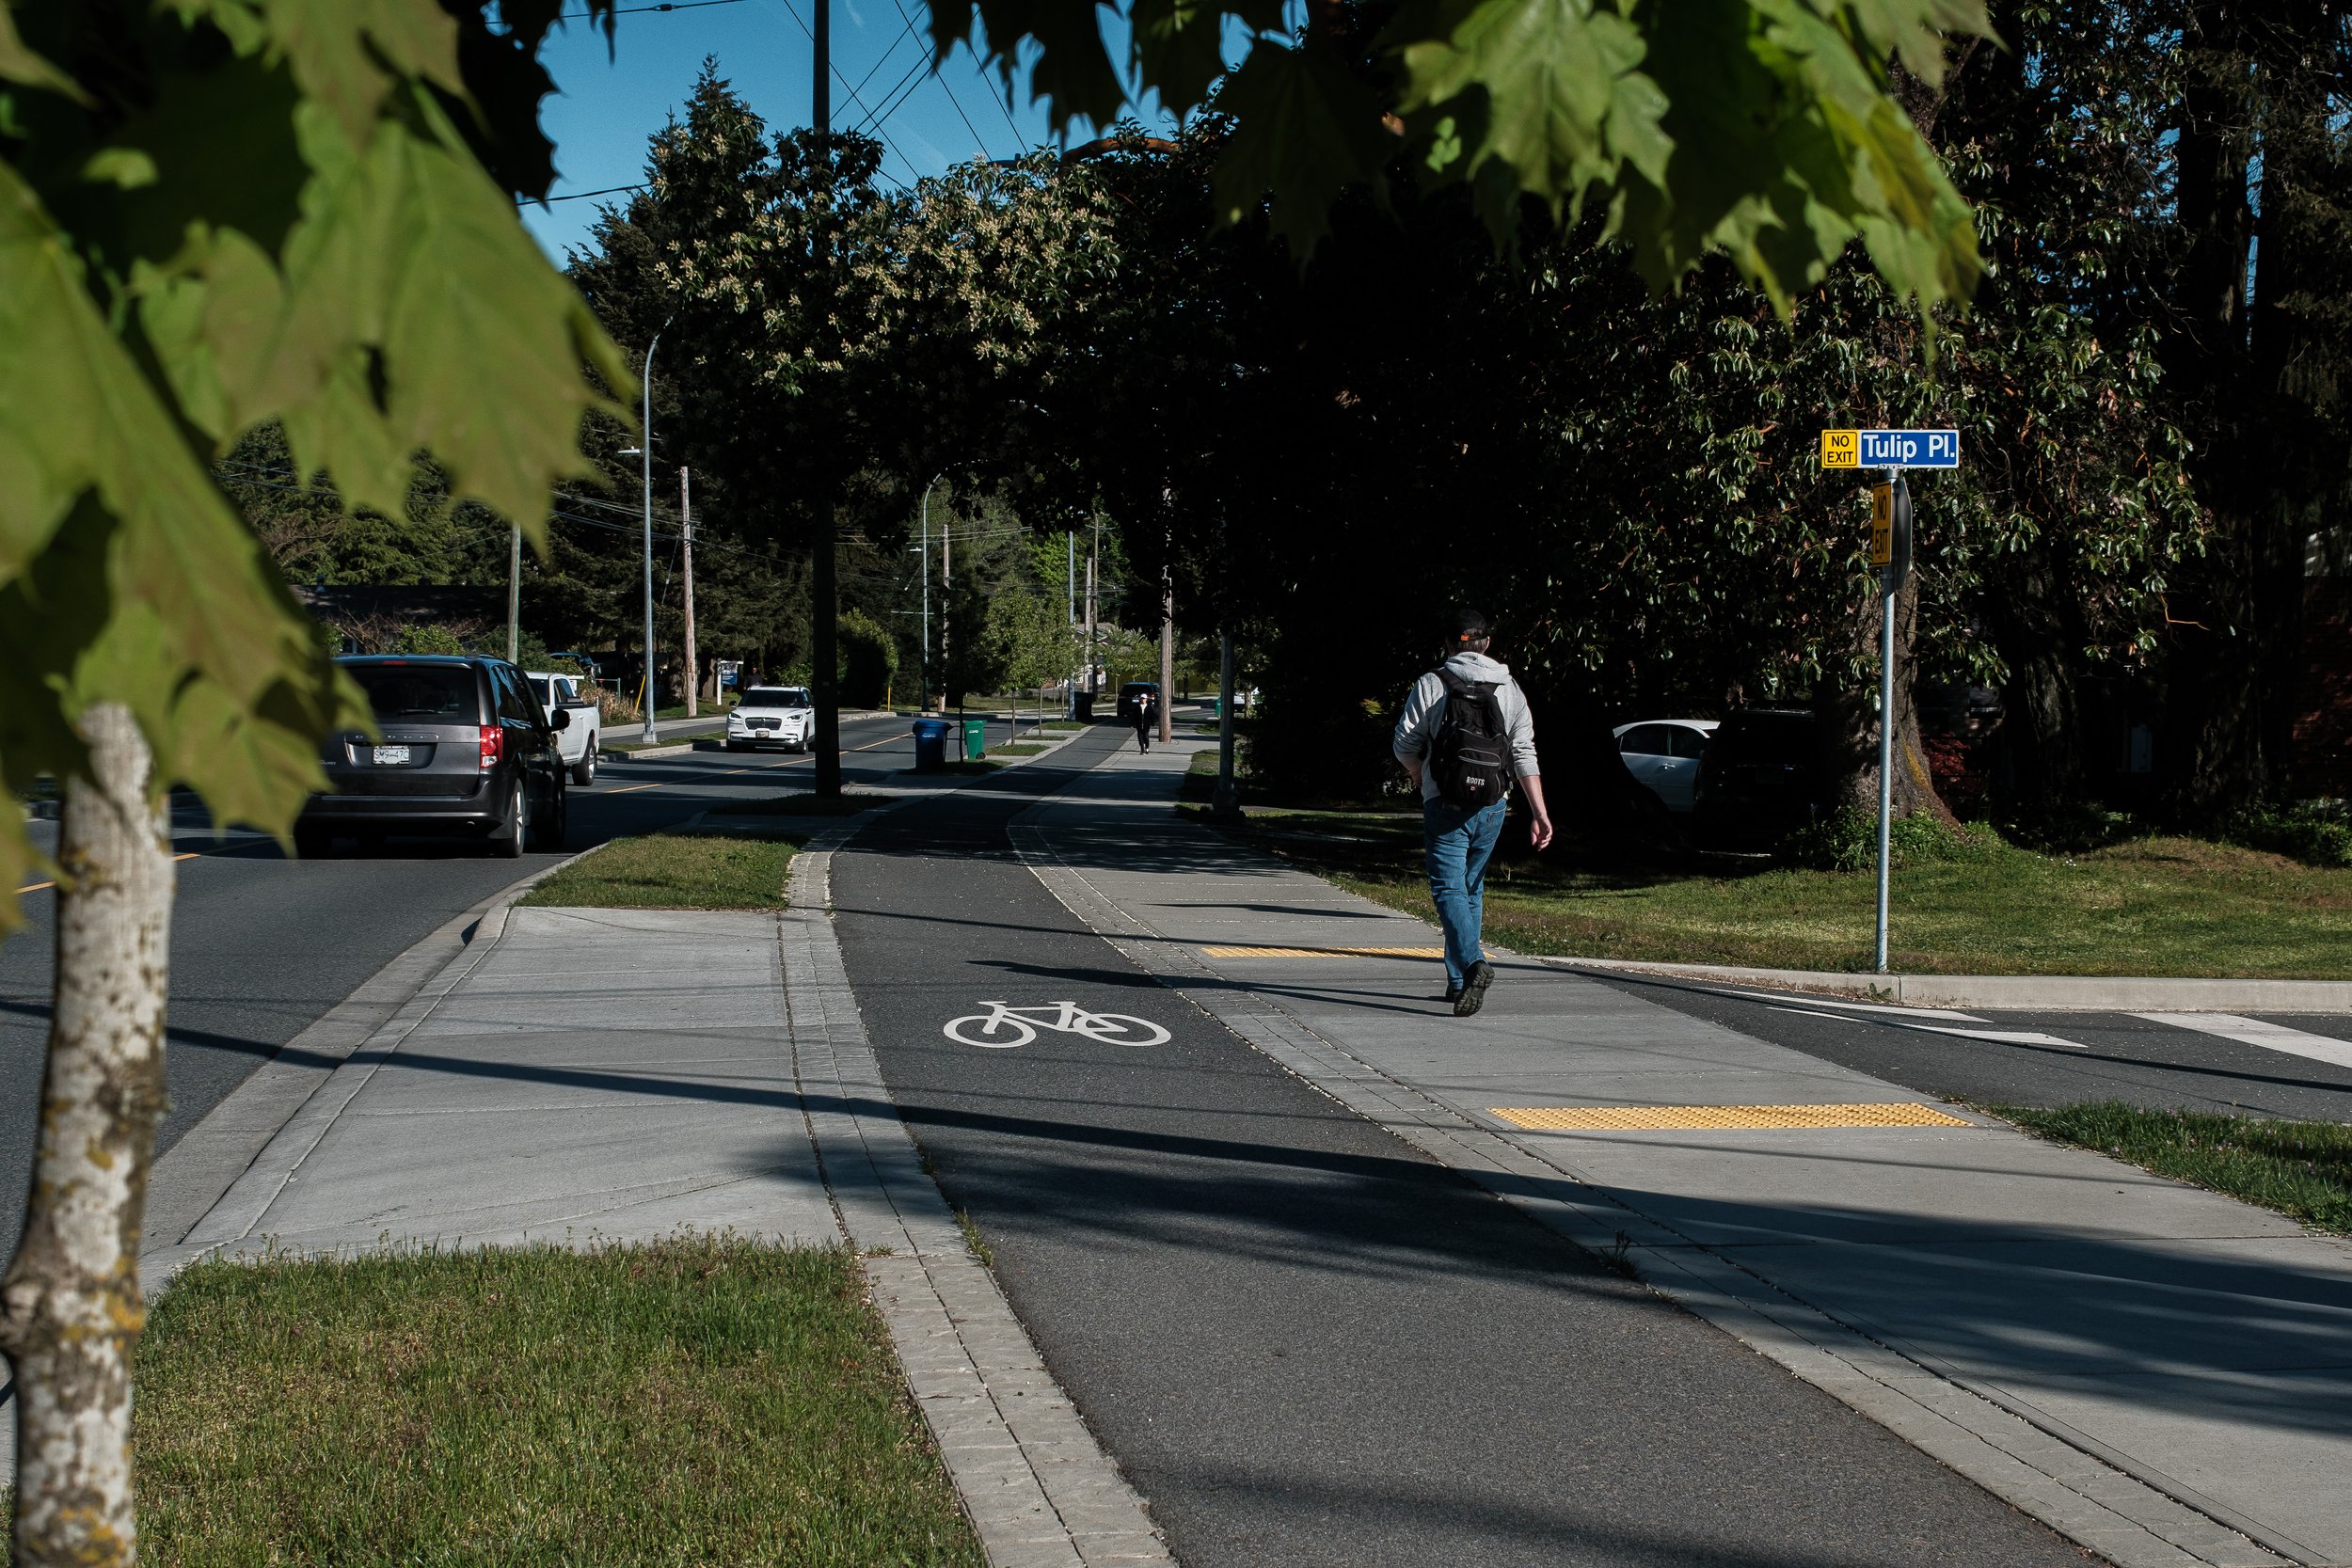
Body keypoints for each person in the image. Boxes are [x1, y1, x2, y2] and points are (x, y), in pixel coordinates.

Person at [1391, 608, 1553, 1016]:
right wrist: (1540, 812)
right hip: (1493, 805)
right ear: (1487, 644)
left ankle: (1473, 964)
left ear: (1448, 644)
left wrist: (1417, 774)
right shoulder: (1510, 687)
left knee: (1448, 889)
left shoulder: (1433, 683)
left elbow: (1404, 742)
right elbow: (1523, 752)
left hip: (1444, 800)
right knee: (1471, 888)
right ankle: (1460, 982)